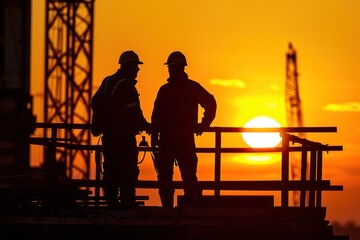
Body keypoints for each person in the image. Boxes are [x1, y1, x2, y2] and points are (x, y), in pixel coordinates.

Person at [151, 51, 217, 208]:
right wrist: (203, 124)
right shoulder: (191, 88)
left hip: (169, 141)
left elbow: (156, 116)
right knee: (187, 177)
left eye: (171, 68)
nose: (170, 71)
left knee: (168, 178)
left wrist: (155, 137)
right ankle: (189, 207)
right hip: (183, 141)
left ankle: (169, 209)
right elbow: (211, 103)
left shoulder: (165, 90)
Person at [91, 50, 151, 210]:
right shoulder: (126, 86)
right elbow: (134, 112)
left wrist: (101, 123)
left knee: (110, 170)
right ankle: (127, 203)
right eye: (136, 66)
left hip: (109, 137)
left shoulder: (108, 81)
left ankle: (112, 203)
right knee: (128, 171)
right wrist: (146, 126)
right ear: (128, 66)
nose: (138, 70)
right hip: (123, 138)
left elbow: (95, 101)